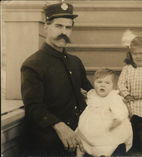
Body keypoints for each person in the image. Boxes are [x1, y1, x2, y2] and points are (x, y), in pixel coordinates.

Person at [20, 2, 93, 156]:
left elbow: (90, 91)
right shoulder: (33, 64)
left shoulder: (75, 62)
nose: (64, 32)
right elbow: (34, 107)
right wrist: (59, 126)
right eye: (58, 26)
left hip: (81, 137)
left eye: (68, 27)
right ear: (46, 27)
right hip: (49, 141)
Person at [76, 68, 133, 157]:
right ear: (94, 83)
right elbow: (88, 102)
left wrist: (117, 119)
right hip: (91, 124)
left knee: (108, 141)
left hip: (109, 126)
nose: (102, 85)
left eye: (107, 83)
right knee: (83, 135)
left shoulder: (114, 97)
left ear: (113, 86)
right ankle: (85, 151)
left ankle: (105, 153)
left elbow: (121, 110)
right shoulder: (92, 95)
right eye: (99, 82)